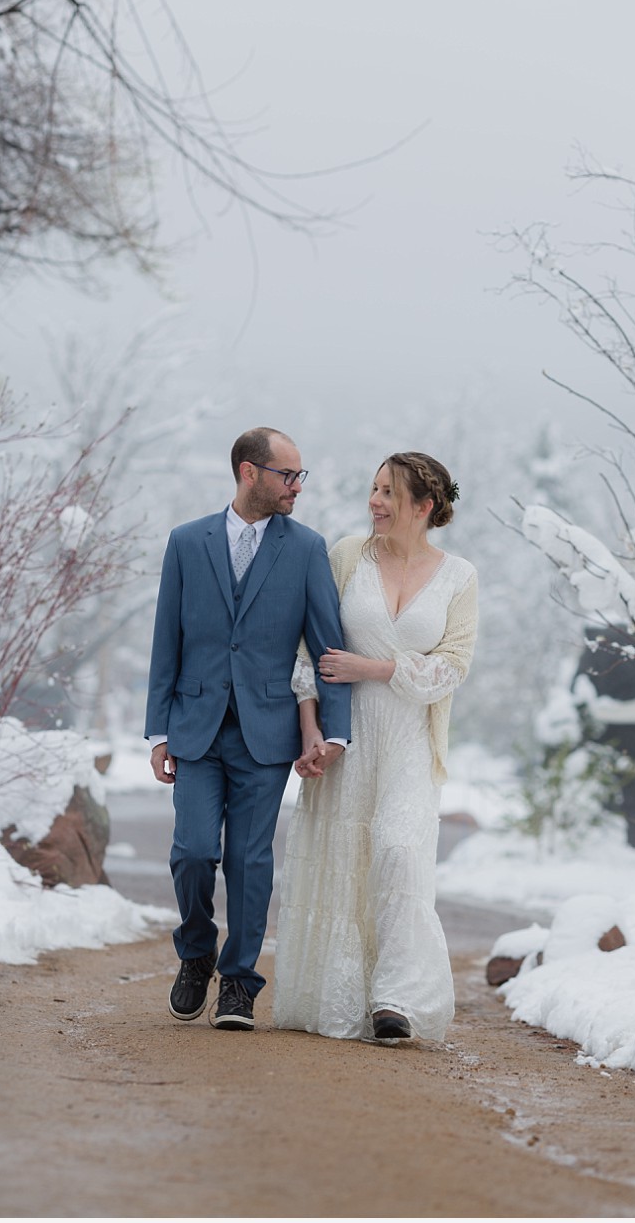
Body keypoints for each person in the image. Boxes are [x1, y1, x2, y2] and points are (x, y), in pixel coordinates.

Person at [145, 427, 352, 1032]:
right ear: (248, 473)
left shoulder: (307, 549)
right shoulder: (187, 543)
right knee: (193, 852)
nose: (297, 487)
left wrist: (332, 733)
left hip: (267, 732)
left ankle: (239, 982)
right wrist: (157, 731)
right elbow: (167, 641)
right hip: (196, 728)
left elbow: (326, 647)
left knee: (247, 860)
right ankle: (196, 952)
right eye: (287, 475)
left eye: (299, 476)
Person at [273, 451, 477, 1043]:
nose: (375, 502)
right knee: (348, 860)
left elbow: (454, 666)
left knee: (398, 853)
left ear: (425, 505)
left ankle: (398, 1000)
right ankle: (345, 996)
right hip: (348, 736)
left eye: (389, 492)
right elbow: (309, 650)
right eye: (373, 489)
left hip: (411, 740)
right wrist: (312, 729)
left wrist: (378, 666)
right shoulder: (344, 557)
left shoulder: (458, 576)